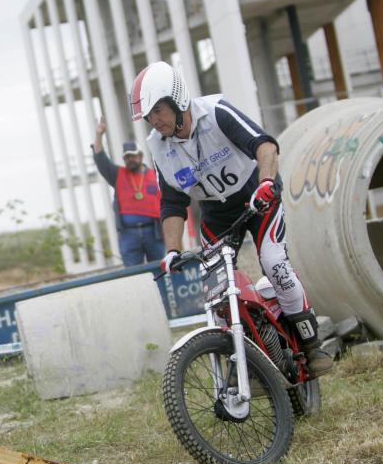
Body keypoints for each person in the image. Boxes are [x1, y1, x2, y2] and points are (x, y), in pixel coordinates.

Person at [129, 61, 332, 377]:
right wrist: (170, 251)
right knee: (215, 292)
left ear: (176, 99)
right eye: (149, 117)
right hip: (216, 214)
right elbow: (172, 203)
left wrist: (266, 182)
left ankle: (311, 344)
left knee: (274, 261)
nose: (154, 122)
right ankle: (244, 354)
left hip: (255, 197)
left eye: (158, 111)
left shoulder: (216, 111)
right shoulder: (157, 147)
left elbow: (263, 145)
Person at [92, 117, 165, 266]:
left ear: (140, 156)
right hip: (128, 234)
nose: (129, 159)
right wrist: (99, 134)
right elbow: (100, 159)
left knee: (161, 271)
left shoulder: (156, 175)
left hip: (154, 231)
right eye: (126, 157)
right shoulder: (118, 174)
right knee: (134, 275)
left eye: (132, 155)